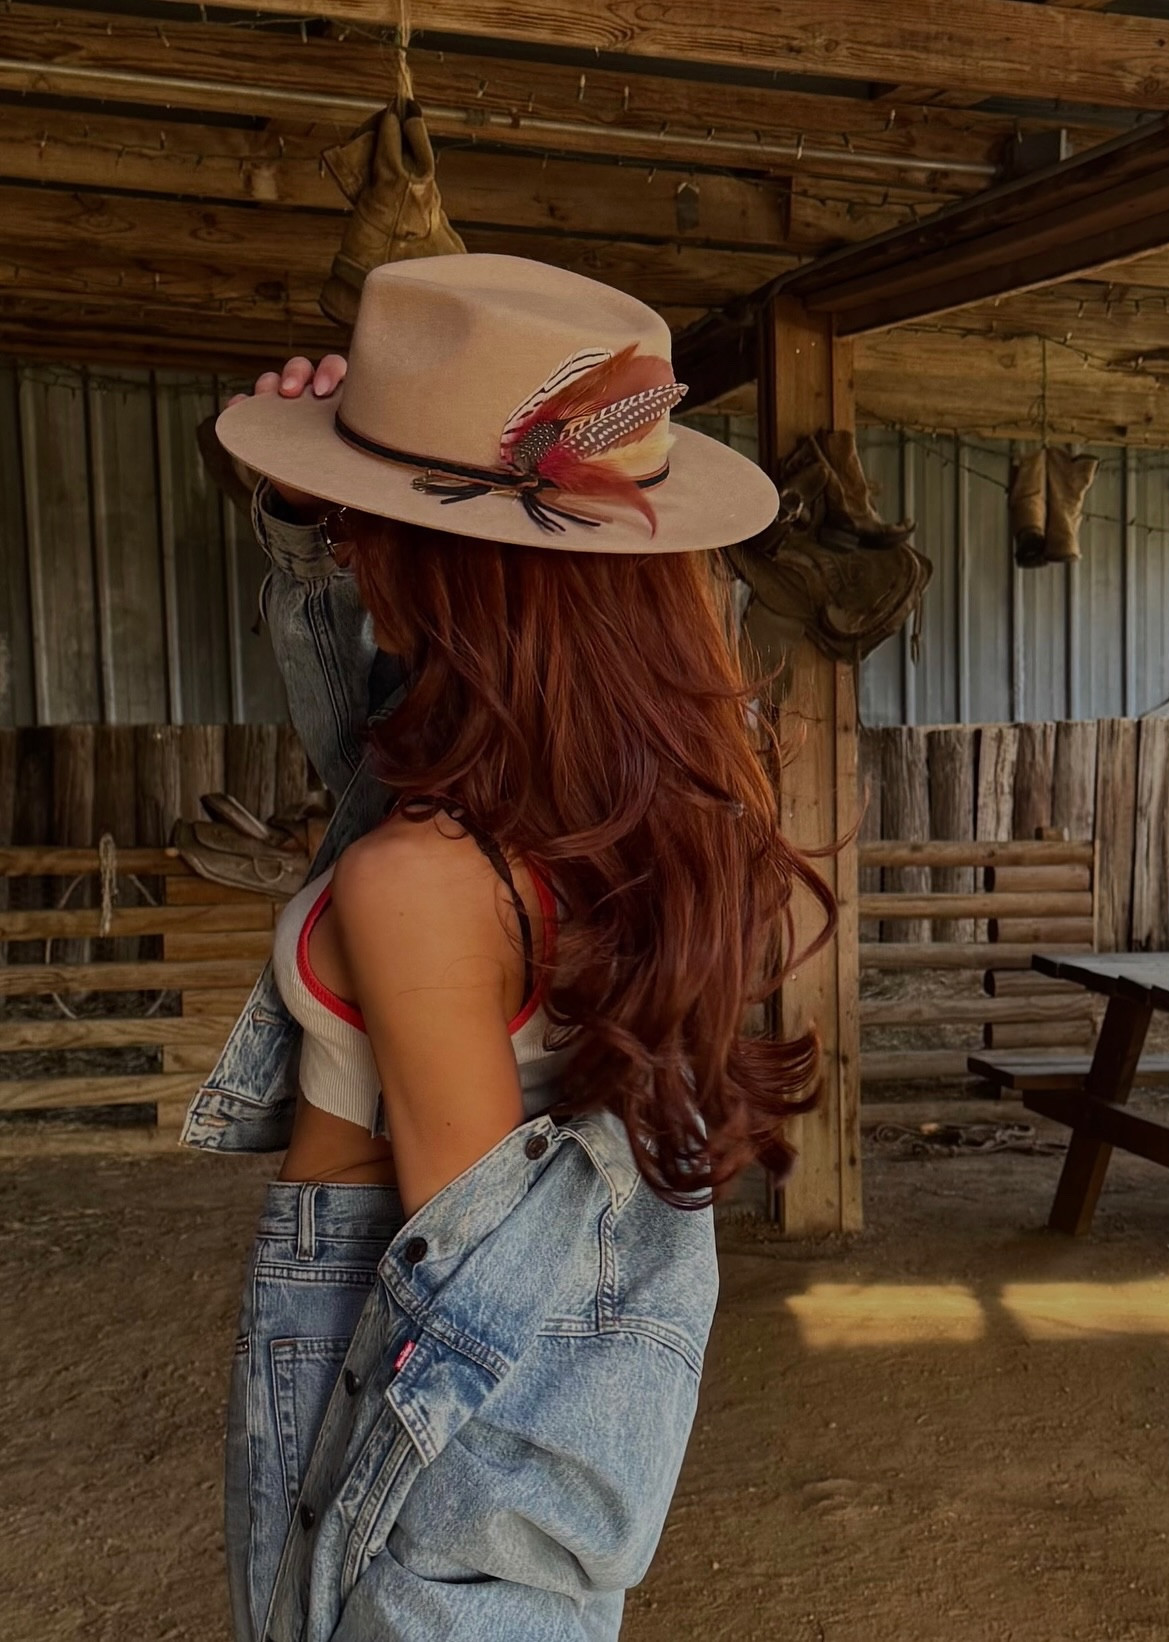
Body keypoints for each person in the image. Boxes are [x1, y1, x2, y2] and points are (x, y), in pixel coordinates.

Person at [185, 254, 836, 1642]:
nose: (357, 553)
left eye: (373, 530)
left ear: (452, 577)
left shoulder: (420, 881)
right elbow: (371, 736)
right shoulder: (622, 804)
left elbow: (477, 1364)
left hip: (370, 1348)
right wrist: (304, 525)